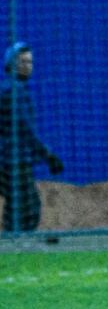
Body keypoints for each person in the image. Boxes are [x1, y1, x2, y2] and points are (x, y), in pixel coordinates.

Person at [0, 42, 63, 232]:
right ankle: (16, 247)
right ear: (11, 64)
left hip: (9, 158)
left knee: (17, 206)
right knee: (27, 208)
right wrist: (48, 155)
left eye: (30, 62)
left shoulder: (11, 88)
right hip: (14, 160)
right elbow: (25, 129)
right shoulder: (15, 91)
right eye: (23, 62)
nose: (28, 66)